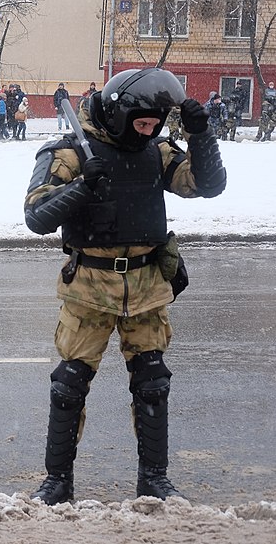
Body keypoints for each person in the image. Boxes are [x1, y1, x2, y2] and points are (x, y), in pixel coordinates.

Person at [23, 68, 227, 505]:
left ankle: (154, 479)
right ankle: (57, 481)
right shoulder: (70, 153)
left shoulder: (157, 151)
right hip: (89, 286)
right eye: (142, 123)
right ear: (119, 113)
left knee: (152, 381)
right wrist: (82, 187)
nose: (148, 130)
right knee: (70, 382)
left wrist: (201, 136)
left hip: (147, 283)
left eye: (155, 124)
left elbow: (207, 185)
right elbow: (37, 215)